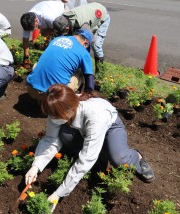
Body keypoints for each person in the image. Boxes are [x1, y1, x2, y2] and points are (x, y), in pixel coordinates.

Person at [25, 84, 155, 212]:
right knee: (64, 136)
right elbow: (50, 139)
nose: (52, 119)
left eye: (55, 117)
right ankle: (100, 152)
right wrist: (36, 166)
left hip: (111, 127)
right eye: (51, 116)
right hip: (83, 128)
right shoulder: (57, 107)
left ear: (69, 111)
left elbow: (86, 158)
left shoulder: (95, 116)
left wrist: (58, 194)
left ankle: (136, 157)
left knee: (118, 158)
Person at [26, 28, 95, 103]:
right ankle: (63, 102)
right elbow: (90, 85)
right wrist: (87, 96)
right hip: (54, 98)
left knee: (40, 63)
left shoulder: (57, 39)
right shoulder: (83, 52)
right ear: (86, 43)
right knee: (81, 71)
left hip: (31, 89)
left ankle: (40, 100)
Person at [53, 2, 110, 73]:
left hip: (102, 16)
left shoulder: (82, 26)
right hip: (89, 14)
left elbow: (90, 40)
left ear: (67, 28)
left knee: (96, 46)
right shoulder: (62, 19)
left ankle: (100, 72)